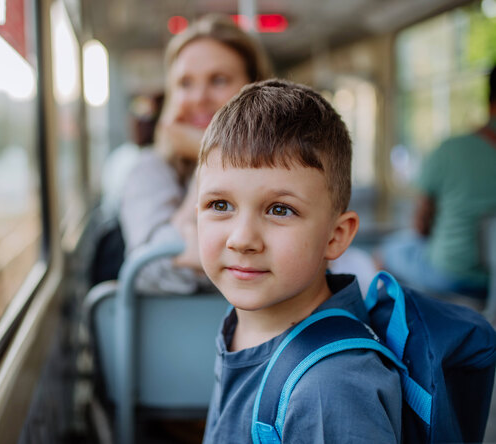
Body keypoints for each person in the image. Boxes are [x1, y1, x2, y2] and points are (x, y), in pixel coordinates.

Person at [196, 79, 402, 443]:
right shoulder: (246, 322)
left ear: (335, 236)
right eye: (220, 205)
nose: (242, 239)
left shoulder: (330, 386)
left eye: (280, 209)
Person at [119, 14, 272, 293]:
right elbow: (152, 270)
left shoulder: (285, 168)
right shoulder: (149, 169)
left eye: (218, 80)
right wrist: (209, 158)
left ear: (255, 89)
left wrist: (194, 248)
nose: (200, 97)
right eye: (185, 83)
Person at [380, 65, 496, 296]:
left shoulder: (452, 149)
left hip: (452, 271)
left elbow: (420, 225)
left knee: (384, 254)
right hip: (491, 284)